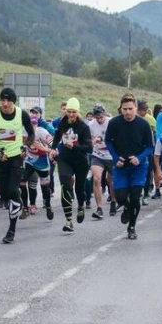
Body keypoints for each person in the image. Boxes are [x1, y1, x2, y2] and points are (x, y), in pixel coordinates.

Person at [0, 88, 34, 244]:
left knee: (13, 190)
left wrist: (25, 147)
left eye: (8, 101)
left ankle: (11, 229)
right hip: (0, 159)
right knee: (5, 194)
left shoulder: (21, 114)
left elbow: (31, 134)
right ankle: (17, 200)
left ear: (13, 102)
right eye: (2, 100)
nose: (5, 104)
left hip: (16, 158)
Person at [105, 93, 154, 240]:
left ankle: (132, 226)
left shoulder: (143, 124)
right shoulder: (114, 123)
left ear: (136, 108)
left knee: (135, 197)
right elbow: (108, 141)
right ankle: (125, 206)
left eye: (130, 109)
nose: (127, 112)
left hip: (138, 167)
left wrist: (139, 158)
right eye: (125, 109)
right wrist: (115, 158)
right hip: (120, 165)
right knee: (120, 197)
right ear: (121, 109)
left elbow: (150, 146)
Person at [51, 97, 92, 232]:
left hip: (80, 161)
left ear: (78, 112)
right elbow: (57, 136)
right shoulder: (62, 123)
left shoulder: (84, 127)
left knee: (79, 189)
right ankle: (68, 220)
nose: (71, 114)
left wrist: (74, 146)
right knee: (66, 186)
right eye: (69, 111)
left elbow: (88, 148)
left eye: (74, 112)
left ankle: (81, 205)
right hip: (65, 160)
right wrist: (53, 148)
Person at [21, 116, 55, 220]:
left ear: (37, 125)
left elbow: (53, 147)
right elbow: (21, 146)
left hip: (42, 162)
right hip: (29, 161)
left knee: (45, 187)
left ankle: (48, 206)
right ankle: (25, 208)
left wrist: (44, 148)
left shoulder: (42, 132)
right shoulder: (23, 132)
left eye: (34, 124)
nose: (32, 126)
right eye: (30, 124)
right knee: (21, 181)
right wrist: (22, 152)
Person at [87, 104, 116, 220]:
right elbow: (88, 139)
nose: (99, 120)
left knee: (111, 180)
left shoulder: (111, 122)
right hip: (97, 154)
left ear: (104, 114)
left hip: (111, 154)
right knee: (96, 178)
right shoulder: (91, 125)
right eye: (96, 117)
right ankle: (99, 208)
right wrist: (91, 141)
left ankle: (113, 201)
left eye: (101, 117)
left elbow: (117, 138)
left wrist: (102, 139)